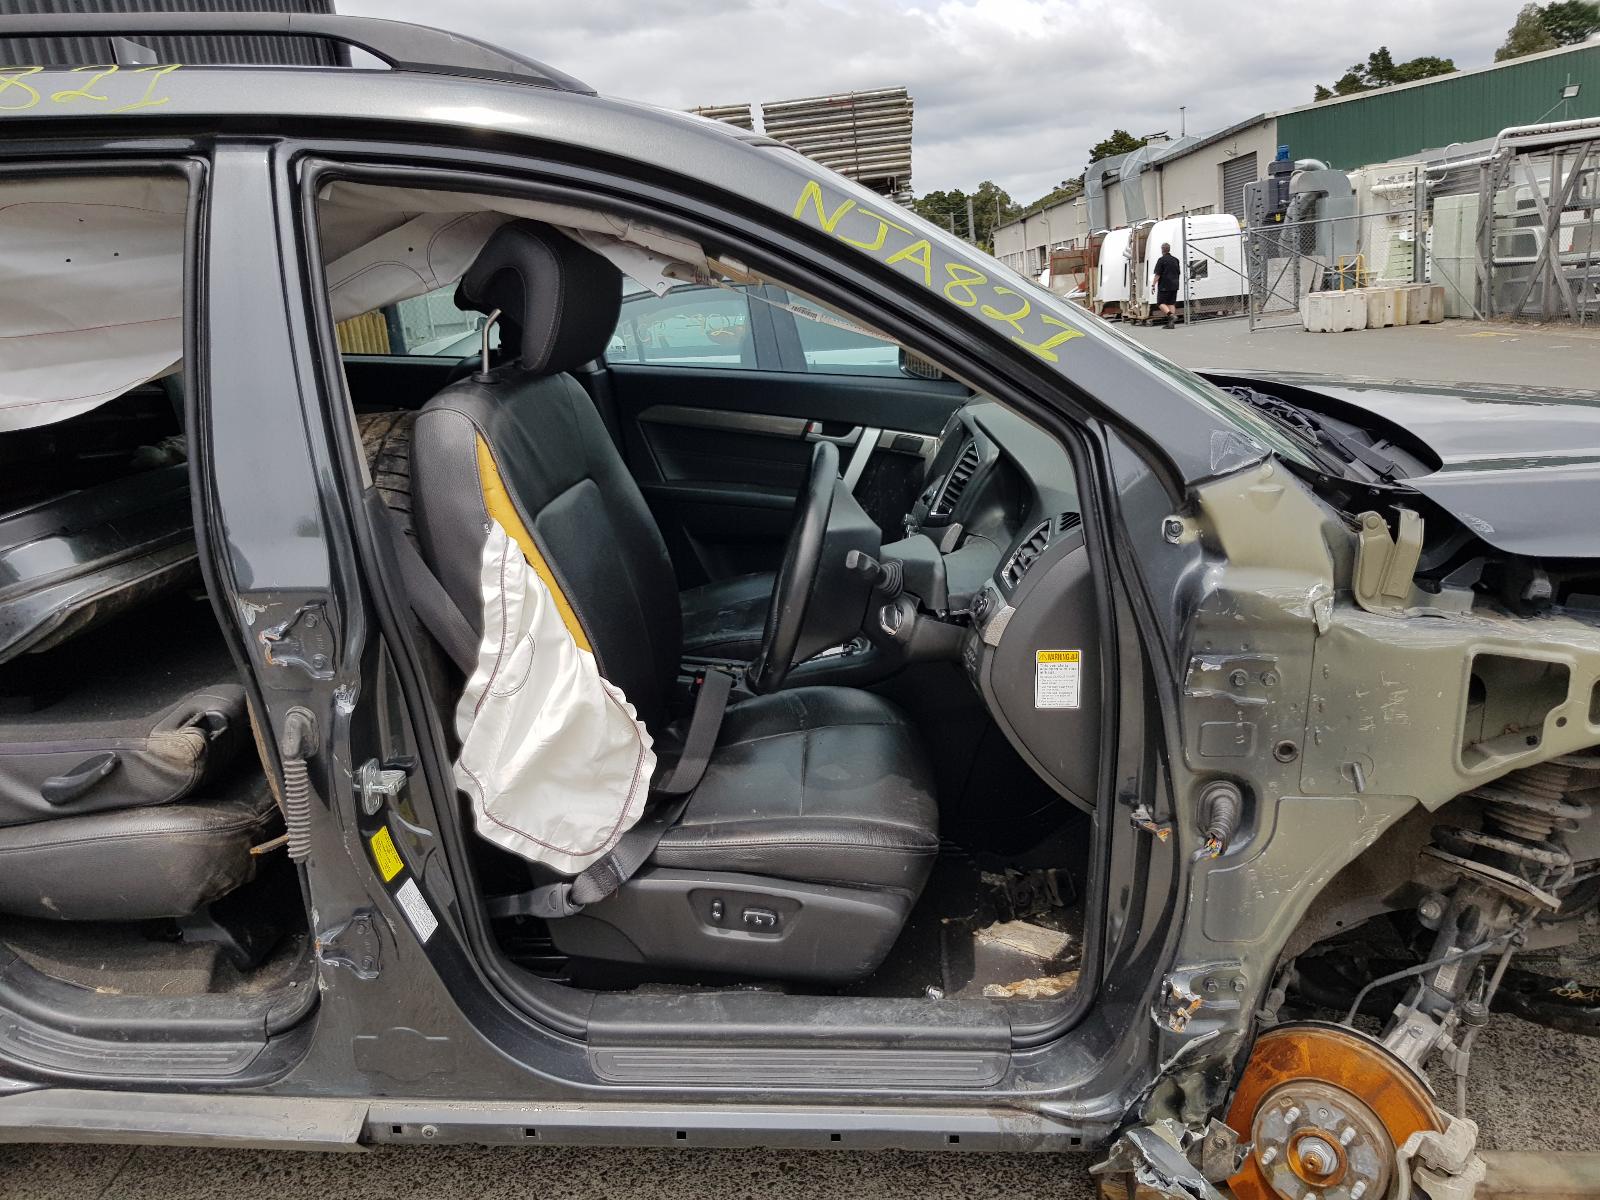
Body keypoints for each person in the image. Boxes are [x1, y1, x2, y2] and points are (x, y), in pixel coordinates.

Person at [1151, 242, 1181, 329]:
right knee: (1171, 303)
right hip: (1175, 284)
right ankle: (1171, 324)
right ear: (1169, 249)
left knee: (1160, 303)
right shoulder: (1176, 260)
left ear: (1162, 250)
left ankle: (1171, 316)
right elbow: (1178, 272)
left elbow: (1158, 274)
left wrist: (1153, 285)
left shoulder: (1161, 260)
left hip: (1165, 285)